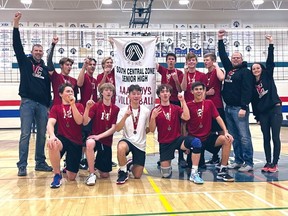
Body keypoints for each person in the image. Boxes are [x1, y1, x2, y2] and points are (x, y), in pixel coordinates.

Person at [13, 11, 52, 176]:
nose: (38, 52)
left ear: (43, 53)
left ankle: (40, 162)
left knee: (42, 135)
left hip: (42, 105)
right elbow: (17, 46)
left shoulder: (44, 69)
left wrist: (48, 105)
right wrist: (16, 25)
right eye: (36, 50)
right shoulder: (25, 62)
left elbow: (48, 87)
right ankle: (22, 165)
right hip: (28, 102)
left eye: (40, 51)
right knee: (25, 134)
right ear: (32, 51)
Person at [149, 84, 204, 184]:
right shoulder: (155, 110)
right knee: (165, 174)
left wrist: (183, 101)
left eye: (167, 91)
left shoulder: (175, 108)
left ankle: (194, 173)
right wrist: (153, 118)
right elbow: (152, 130)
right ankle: (166, 164)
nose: (165, 93)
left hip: (177, 139)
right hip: (165, 143)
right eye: (162, 92)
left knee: (196, 142)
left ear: (170, 94)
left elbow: (187, 117)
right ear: (159, 95)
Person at [218, 29, 254, 172]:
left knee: (244, 136)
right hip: (229, 108)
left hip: (240, 108)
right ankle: (238, 160)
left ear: (242, 59)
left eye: (238, 58)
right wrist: (220, 39)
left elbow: (247, 90)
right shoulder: (230, 69)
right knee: (234, 137)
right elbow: (222, 55)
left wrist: (244, 107)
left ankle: (249, 162)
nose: (235, 59)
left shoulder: (245, 72)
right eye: (233, 58)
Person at [185, 82, 234, 182]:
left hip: (207, 138)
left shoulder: (209, 103)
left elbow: (218, 118)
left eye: (200, 89)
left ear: (204, 91)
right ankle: (194, 171)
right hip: (194, 141)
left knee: (226, 140)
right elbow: (183, 125)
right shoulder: (188, 105)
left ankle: (222, 170)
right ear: (192, 91)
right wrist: (186, 144)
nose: (198, 91)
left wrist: (226, 132)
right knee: (192, 167)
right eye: (196, 89)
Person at [251, 35, 283, 173]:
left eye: (258, 68)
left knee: (275, 137)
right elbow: (254, 101)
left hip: (274, 110)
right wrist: (257, 117)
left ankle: (275, 163)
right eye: (253, 69)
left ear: (262, 69)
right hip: (263, 114)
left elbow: (270, 62)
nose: (256, 70)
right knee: (265, 138)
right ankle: (268, 161)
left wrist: (271, 44)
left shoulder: (267, 76)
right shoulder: (252, 84)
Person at [47, 83, 84, 188]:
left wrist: (73, 104)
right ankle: (57, 175)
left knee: (71, 177)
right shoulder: (56, 108)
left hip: (76, 141)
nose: (70, 93)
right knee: (53, 143)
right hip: (62, 138)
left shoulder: (79, 106)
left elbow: (79, 121)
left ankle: (67, 166)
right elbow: (50, 123)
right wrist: (52, 135)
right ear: (60, 94)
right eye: (68, 91)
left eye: (72, 91)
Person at [83, 83, 120, 186]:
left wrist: (99, 136)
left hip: (105, 140)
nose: (108, 92)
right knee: (89, 143)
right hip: (94, 138)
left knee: (104, 175)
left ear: (113, 93)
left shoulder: (116, 109)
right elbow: (85, 122)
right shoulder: (95, 106)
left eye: (110, 90)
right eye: (106, 90)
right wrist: (87, 108)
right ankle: (91, 174)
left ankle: (96, 163)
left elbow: (113, 129)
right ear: (102, 92)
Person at [115, 84, 150, 184]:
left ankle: (129, 164)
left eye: (138, 94)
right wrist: (125, 116)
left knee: (137, 175)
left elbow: (148, 129)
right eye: (133, 94)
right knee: (121, 147)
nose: (136, 96)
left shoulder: (146, 111)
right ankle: (123, 171)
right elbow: (117, 129)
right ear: (129, 96)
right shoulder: (123, 111)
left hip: (140, 144)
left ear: (141, 96)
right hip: (128, 141)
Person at [155, 53, 185, 166]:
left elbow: (180, 89)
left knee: (179, 129)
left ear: (175, 61)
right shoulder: (163, 70)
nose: (171, 61)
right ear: (166, 61)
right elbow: (154, 64)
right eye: (169, 59)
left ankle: (181, 158)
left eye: (173, 59)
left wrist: (176, 80)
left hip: (175, 103)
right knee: (163, 129)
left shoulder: (180, 73)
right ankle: (163, 156)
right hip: (164, 103)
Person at [203, 53, 226, 165]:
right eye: (204, 60)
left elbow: (221, 78)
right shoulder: (205, 75)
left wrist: (216, 66)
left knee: (221, 132)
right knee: (210, 133)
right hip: (208, 107)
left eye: (207, 60)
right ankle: (215, 156)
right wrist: (207, 93)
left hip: (218, 106)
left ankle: (224, 157)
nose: (205, 62)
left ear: (213, 61)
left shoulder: (218, 71)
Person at [77, 57, 98, 170]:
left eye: (94, 64)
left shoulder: (94, 80)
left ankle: (88, 159)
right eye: (90, 64)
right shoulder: (84, 76)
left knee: (90, 136)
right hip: (84, 111)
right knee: (82, 136)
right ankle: (80, 159)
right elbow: (79, 84)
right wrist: (83, 67)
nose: (92, 66)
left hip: (93, 112)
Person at [47, 37, 78, 106]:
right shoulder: (56, 77)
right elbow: (49, 61)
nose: (69, 66)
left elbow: (75, 96)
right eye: (67, 65)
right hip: (57, 108)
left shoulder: (74, 80)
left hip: (70, 108)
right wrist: (53, 45)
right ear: (61, 65)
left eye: (70, 65)